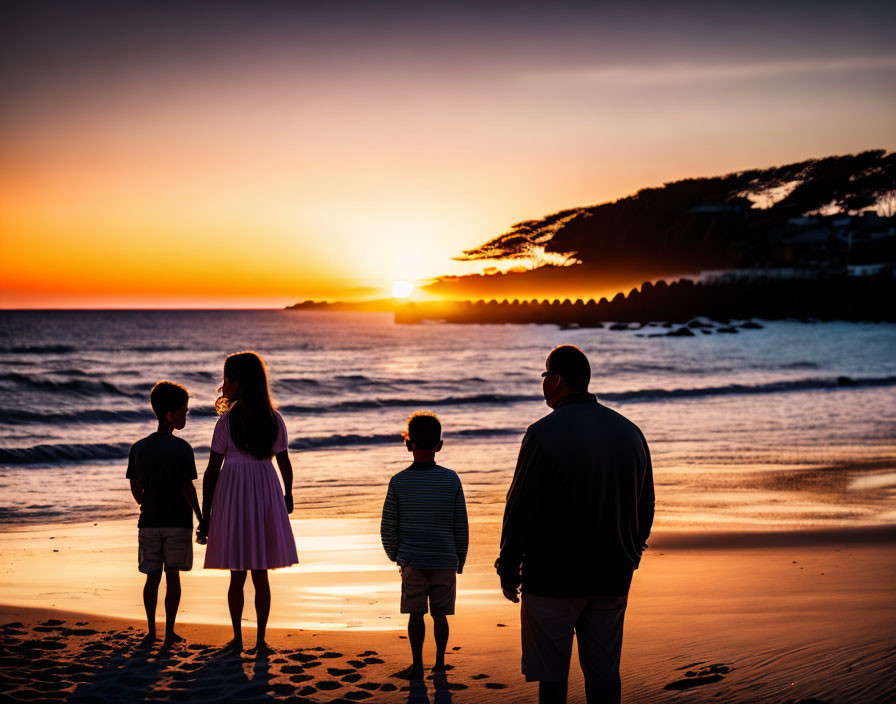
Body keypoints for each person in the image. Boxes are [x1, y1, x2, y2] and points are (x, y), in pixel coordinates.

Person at [496, 345, 654, 704]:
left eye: (545, 375)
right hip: (612, 573)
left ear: (557, 380)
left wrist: (508, 565)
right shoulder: (630, 432)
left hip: (552, 577)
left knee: (552, 679)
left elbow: (520, 506)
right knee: (603, 675)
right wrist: (632, 552)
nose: (544, 383)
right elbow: (646, 503)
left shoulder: (542, 433)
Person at [197, 351, 298, 654]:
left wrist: (206, 514)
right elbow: (284, 462)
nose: (222, 385)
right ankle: (261, 639)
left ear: (238, 383)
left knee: (237, 575)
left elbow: (212, 471)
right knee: (261, 573)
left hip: (234, 494)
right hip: (266, 491)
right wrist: (288, 494)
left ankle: (239, 640)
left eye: (226, 378)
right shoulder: (273, 419)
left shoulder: (227, 422)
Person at [380, 411, 469, 680]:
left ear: (408, 443)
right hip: (444, 559)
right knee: (441, 615)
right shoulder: (451, 479)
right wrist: (459, 558)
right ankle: (440, 663)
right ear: (439, 445)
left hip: (413, 560)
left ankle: (417, 666)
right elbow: (460, 524)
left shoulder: (399, 481)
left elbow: (388, 526)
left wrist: (397, 556)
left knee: (416, 614)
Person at [127, 380, 202, 650]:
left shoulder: (138, 447)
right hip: (178, 523)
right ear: (170, 414)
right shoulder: (183, 449)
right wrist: (201, 517)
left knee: (151, 577)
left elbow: (136, 489)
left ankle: (150, 631)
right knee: (173, 576)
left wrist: (146, 502)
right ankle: (169, 632)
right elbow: (187, 487)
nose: (186, 415)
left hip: (148, 522)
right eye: (183, 411)